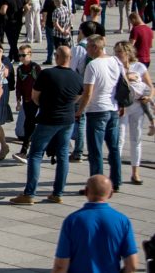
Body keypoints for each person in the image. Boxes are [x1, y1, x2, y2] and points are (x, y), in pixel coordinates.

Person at [10, 45, 84, 205]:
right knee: (63, 154)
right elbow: (78, 97)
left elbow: (35, 96)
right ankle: (57, 193)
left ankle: (29, 193)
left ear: (56, 57)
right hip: (67, 120)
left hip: (48, 118)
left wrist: (43, 104)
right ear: (70, 59)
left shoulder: (47, 74)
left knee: (36, 154)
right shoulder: (77, 77)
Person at [52, 175, 138, 273]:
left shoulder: (72, 220)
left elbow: (60, 266)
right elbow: (132, 265)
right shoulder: (122, 221)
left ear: (86, 191)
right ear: (111, 193)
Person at [75, 35, 122, 191]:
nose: (86, 50)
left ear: (95, 47)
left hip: (97, 110)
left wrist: (79, 111)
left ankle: (96, 187)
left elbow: (88, 93)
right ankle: (115, 182)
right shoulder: (115, 61)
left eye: (88, 46)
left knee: (95, 150)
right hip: (113, 108)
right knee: (113, 148)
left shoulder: (93, 65)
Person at [114, 40, 153, 186]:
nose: (117, 54)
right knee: (119, 140)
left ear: (128, 53)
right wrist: (126, 78)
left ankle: (135, 172)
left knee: (136, 139)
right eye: (116, 51)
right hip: (122, 106)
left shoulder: (139, 66)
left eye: (120, 52)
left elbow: (150, 86)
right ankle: (115, 173)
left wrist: (149, 96)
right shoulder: (115, 66)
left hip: (137, 106)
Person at [12, 44, 42, 162]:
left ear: (30, 54)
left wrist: (39, 99)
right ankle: (26, 150)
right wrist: (18, 100)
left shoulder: (35, 68)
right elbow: (18, 85)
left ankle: (25, 150)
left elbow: (41, 84)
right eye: (20, 55)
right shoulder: (20, 69)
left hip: (36, 100)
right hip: (26, 100)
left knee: (30, 124)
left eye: (24, 55)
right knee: (28, 124)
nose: (21, 58)